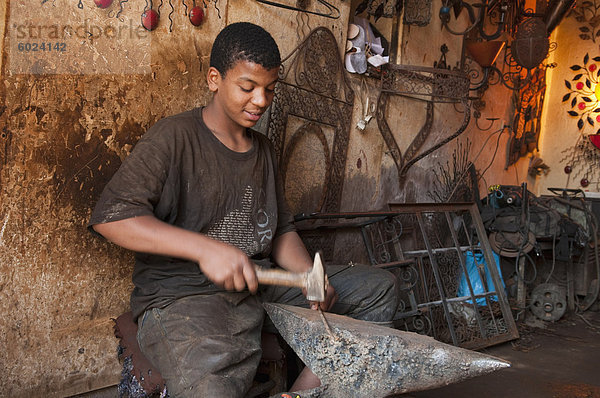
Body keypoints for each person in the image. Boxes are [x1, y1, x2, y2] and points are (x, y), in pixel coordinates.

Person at [88, 22, 398, 397]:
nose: (260, 101)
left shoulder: (263, 151)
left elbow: (281, 229)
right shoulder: (174, 137)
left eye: (269, 89)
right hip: (184, 297)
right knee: (211, 388)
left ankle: (301, 394)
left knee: (377, 290)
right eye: (247, 88)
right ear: (214, 79)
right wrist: (204, 249)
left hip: (261, 285)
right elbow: (112, 217)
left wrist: (307, 277)